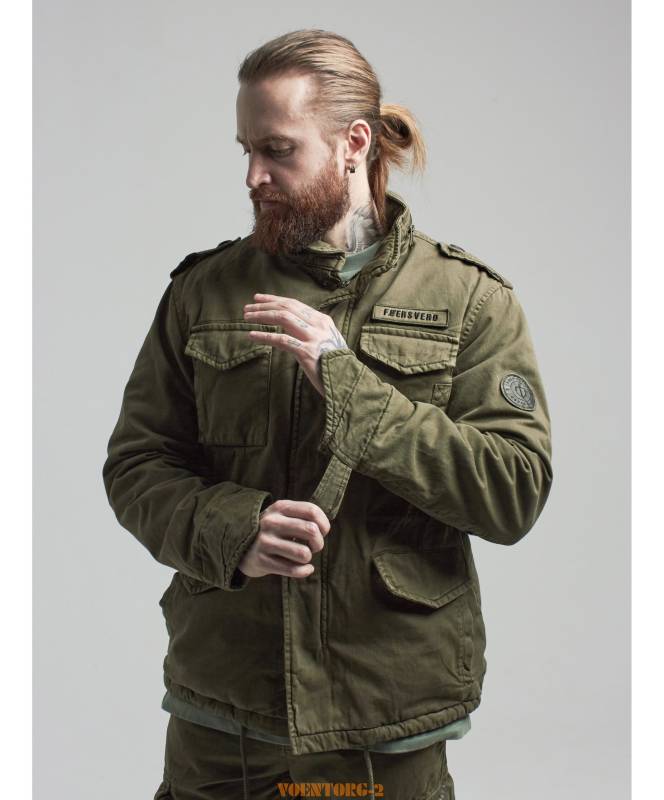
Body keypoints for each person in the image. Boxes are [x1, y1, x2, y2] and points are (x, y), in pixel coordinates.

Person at [102, 28, 553, 800]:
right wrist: (234, 530)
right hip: (224, 715)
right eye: (246, 150)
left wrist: (349, 384)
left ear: (354, 144)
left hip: (384, 717)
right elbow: (137, 465)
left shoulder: (469, 300)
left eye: (277, 150)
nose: (253, 175)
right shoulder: (203, 292)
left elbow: (512, 490)